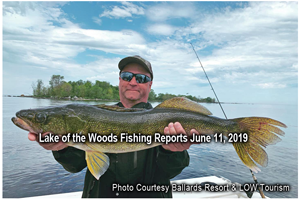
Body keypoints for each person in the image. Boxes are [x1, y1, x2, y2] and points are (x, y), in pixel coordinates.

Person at [28, 55, 200, 198]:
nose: (133, 82)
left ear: (150, 84)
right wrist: (61, 149)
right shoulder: (89, 118)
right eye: (127, 76)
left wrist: (172, 152)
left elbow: (169, 172)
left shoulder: (169, 122)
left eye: (141, 78)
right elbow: (74, 166)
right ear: (119, 80)